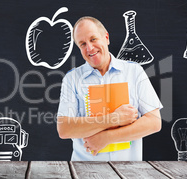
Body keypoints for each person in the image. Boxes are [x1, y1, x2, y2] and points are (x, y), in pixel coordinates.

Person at [57, 16, 163, 161]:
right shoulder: (72, 79)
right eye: (82, 44)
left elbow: (154, 122)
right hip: (84, 171)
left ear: (106, 38)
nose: (89, 48)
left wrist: (106, 138)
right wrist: (115, 118)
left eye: (93, 39)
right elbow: (64, 129)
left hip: (128, 172)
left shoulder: (134, 71)